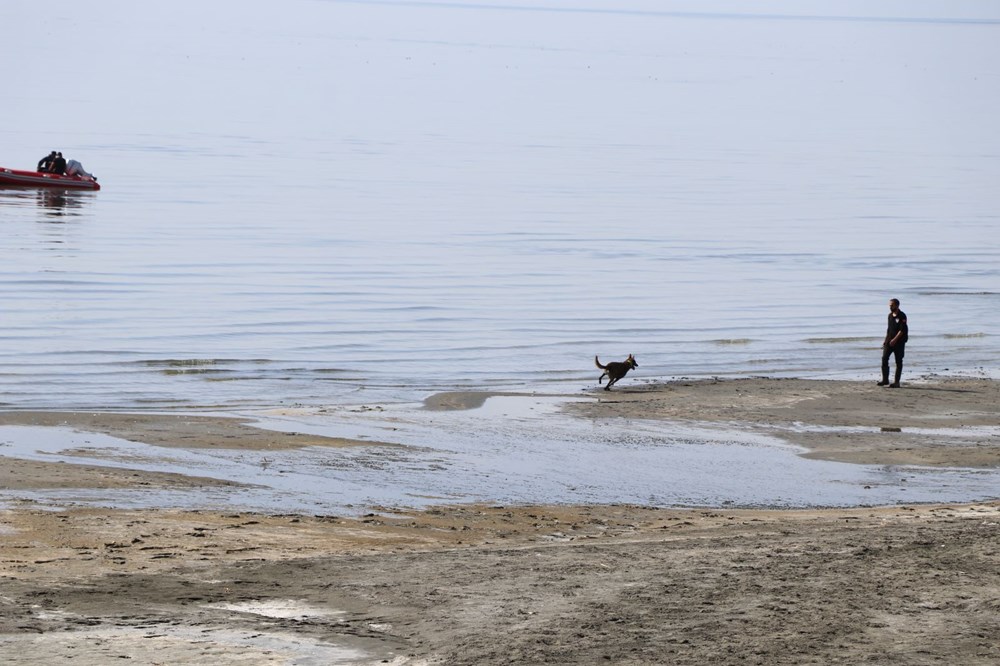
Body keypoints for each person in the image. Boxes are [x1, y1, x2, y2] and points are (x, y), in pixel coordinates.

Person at [879, 298, 908, 388]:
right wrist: (886, 340)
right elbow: (889, 329)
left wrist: (895, 340)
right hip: (889, 341)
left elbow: (902, 330)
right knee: (884, 358)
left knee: (898, 361)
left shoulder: (902, 316)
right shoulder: (890, 316)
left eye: (892, 305)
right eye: (889, 305)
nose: (890, 307)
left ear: (897, 305)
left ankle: (896, 382)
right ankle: (885, 380)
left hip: (899, 342)